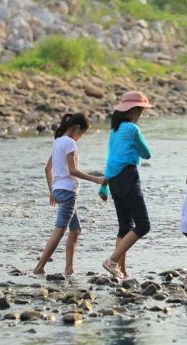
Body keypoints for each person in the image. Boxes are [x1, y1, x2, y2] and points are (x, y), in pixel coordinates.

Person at [33, 113, 104, 275]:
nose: (81, 137)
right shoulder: (70, 143)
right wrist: (96, 179)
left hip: (58, 190)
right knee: (59, 230)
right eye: (83, 133)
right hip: (68, 192)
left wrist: (52, 191)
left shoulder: (58, 142)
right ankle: (39, 266)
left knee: (75, 230)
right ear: (77, 128)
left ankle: (69, 269)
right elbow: (72, 170)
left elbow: (47, 169)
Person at [101, 91, 153, 278]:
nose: (141, 115)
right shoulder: (132, 129)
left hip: (114, 180)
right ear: (132, 111)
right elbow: (147, 154)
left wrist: (104, 185)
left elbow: (110, 158)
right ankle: (112, 261)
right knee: (143, 225)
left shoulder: (114, 131)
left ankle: (120, 270)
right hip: (128, 178)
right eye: (140, 111)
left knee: (125, 227)